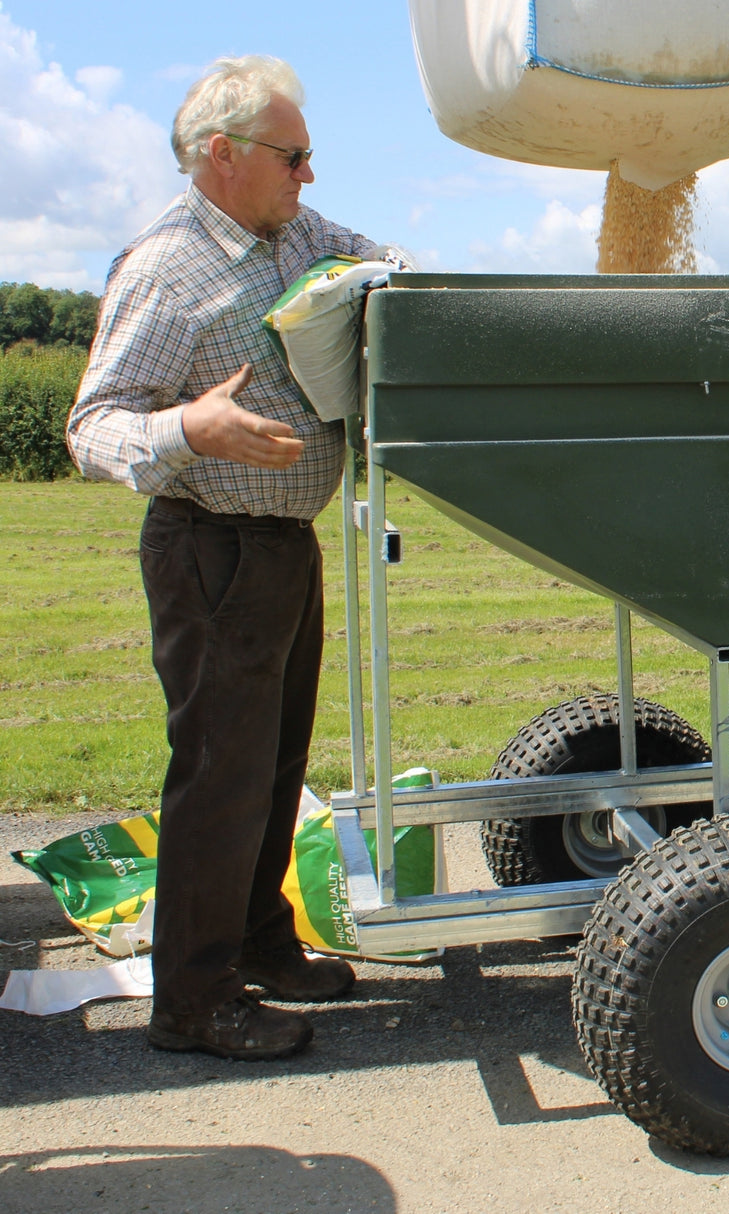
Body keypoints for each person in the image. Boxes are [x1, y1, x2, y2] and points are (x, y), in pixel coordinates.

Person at [67, 55, 398, 1061]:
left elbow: (384, 262)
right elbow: (90, 426)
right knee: (219, 773)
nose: (308, 175)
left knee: (273, 765)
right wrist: (187, 430)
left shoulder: (296, 233)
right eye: (292, 156)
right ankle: (193, 1000)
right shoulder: (163, 269)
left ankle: (259, 941)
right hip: (208, 548)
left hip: (281, 549)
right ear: (222, 156)